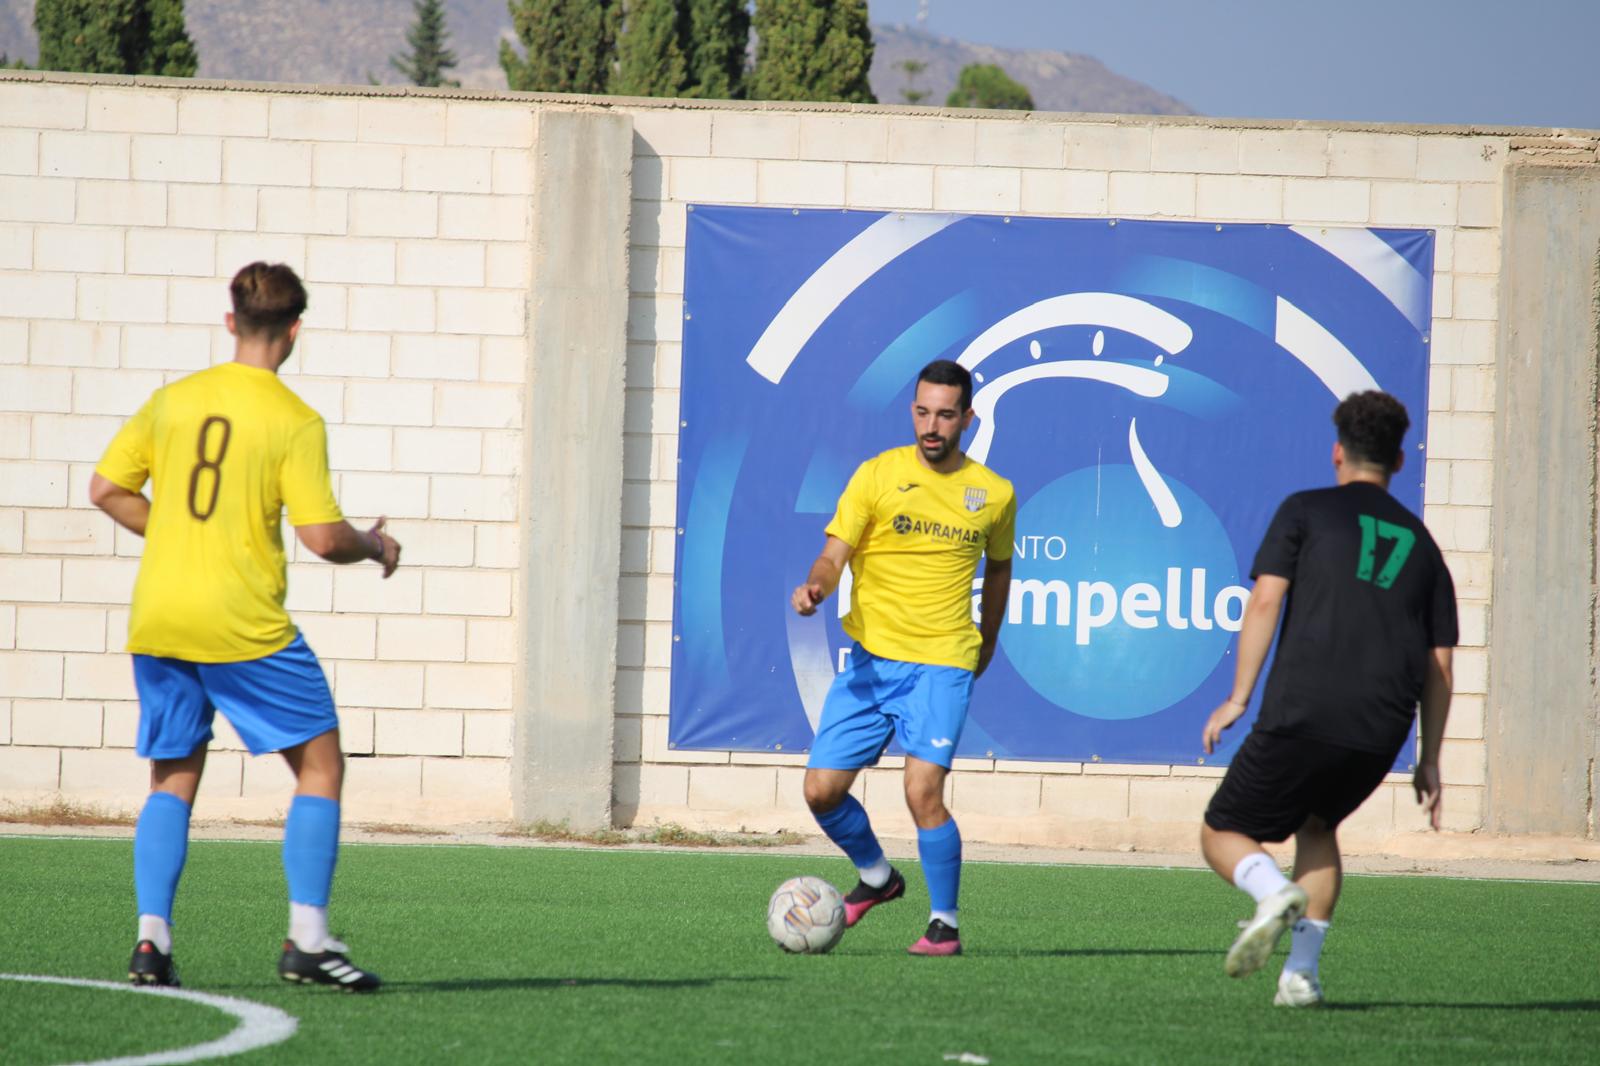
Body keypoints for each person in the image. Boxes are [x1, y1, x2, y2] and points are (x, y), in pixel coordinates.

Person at [91, 262, 400, 992]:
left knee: (173, 776)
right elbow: (324, 538)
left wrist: (174, 536)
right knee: (321, 766)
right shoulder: (293, 420)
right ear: (295, 330)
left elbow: (107, 489)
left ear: (231, 321)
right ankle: (308, 940)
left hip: (161, 617)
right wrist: (377, 545)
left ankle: (151, 944)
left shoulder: (173, 400)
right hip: (243, 624)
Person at [1199, 390, 1456, 1007]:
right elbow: (1440, 664)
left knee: (1222, 832)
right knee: (1320, 826)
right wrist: (1429, 759)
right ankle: (1301, 979)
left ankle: (1271, 893)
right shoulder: (1423, 545)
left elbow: (1265, 600)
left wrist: (1237, 698)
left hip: (1306, 708)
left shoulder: (1306, 510)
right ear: (1399, 458)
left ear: (1337, 451)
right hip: (1381, 728)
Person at [791, 359, 1015, 957]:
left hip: (942, 662)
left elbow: (999, 570)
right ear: (912, 411)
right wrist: (816, 587)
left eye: (945, 414)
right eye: (922, 412)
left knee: (922, 791)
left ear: (968, 417)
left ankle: (944, 922)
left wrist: (987, 640)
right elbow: (833, 555)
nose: (931, 426)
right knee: (821, 791)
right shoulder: (877, 476)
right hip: (871, 664)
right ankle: (877, 878)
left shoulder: (994, 494)